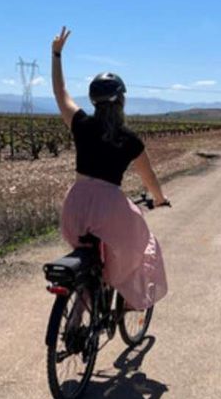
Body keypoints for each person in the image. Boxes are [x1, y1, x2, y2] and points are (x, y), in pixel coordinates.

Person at [50, 26, 170, 311]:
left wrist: (56, 54)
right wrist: (159, 198)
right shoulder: (129, 139)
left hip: (76, 205)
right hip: (110, 209)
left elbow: (60, 91)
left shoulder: (81, 124)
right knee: (143, 246)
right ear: (122, 100)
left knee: (88, 256)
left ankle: (83, 305)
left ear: (93, 100)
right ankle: (129, 300)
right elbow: (149, 177)